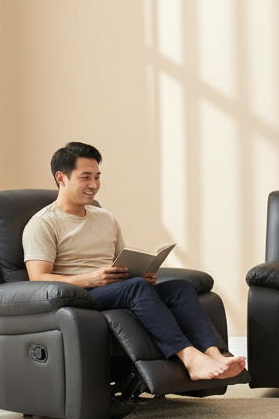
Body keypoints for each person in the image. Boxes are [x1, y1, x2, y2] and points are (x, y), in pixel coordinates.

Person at [23, 142, 245, 381]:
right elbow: (38, 278)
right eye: (85, 177)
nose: (94, 185)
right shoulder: (43, 223)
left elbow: (120, 263)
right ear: (61, 178)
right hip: (82, 295)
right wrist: (90, 278)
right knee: (136, 288)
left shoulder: (105, 217)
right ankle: (190, 358)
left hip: (116, 288)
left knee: (180, 287)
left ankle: (214, 354)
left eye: (97, 177)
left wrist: (139, 273)